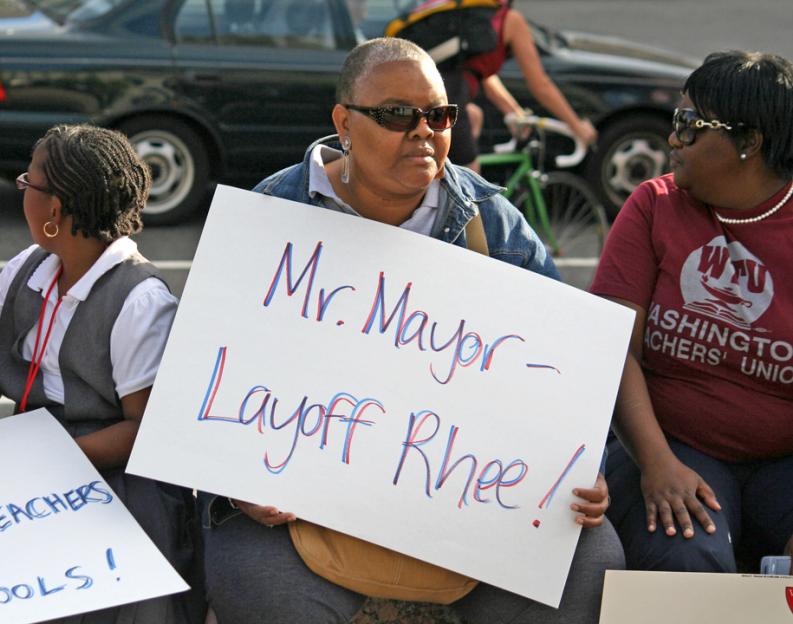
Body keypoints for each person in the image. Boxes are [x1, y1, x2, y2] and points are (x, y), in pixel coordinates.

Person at [199, 37, 623, 624]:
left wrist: (579, 465)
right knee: (258, 584)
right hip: (307, 513)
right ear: (344, 123)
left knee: (590, 563)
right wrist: (235, 480)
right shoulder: (270, 213)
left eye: (439, 115)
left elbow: (563, 372)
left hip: (472, 502)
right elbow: (207, 376)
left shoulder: (493, 223)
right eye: (397, 114)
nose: (423, 131)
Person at [0, 125, 204, 622]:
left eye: (26, 183)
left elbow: (144, 429)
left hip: (114, 468)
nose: (22, 190)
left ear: (53, 210)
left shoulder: (139, 300)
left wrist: (47, 461)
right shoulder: (24, 270)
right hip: (32, 456)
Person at [590, 50, 793, 574]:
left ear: (750, 142)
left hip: (783, 464)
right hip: (671, 445)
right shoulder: (653, 205)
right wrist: (657, 464)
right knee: (686, 560)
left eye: (689, 124)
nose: (673, 139)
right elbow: (613, 349)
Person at [442, 0, 597, 172]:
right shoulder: (509, 19)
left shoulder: (463, 10)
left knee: (475, 116)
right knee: (469, 175)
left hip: (433, 91)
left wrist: (513, 111)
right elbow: (540, 85)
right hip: (451, 97)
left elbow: (482, 74)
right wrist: (577, 126)